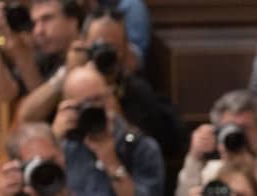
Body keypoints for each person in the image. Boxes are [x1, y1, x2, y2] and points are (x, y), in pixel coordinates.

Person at [17, 8, 186, 160]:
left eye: (111, 48)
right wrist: (66, 75)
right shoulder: (65, 78)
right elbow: (26, 116)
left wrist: (113, 107)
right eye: (97, 47)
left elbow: (154, 151)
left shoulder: (136, 90)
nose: (104, 55)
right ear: (83, 44)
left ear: (125, 50)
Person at [53, 65, 165, 196]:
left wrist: (110, 160)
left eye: (98, 99)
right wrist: (53, 140)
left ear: (111, 97)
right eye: (83, 105)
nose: (93, 109)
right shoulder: (62, 147)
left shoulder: (140, 147)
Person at [0, 0, 82, 103]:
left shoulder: (89, 56)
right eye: (35, 23)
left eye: (47, 19)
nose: (38, 31)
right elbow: (7, 94)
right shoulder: (46, 56)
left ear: (73, 21)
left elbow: (45, 111)